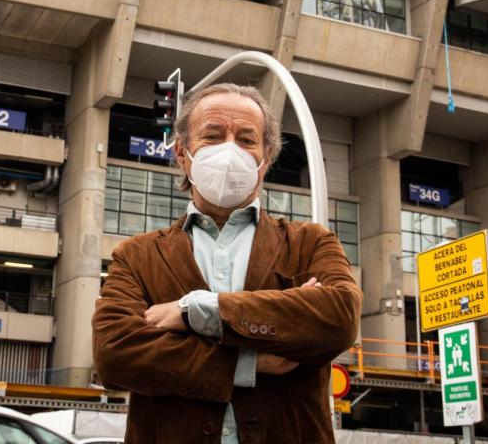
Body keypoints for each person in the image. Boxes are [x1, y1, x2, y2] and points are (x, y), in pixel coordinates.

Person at [92, 83, 362, 444]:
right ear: (182, 153)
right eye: (213, 136)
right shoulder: (136, 256)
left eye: (246, 139)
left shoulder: (311, 243)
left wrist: (198, 311)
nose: (229, 149)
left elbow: (339, 316)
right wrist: (248, 362)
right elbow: (114, 353)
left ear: (265, 159)